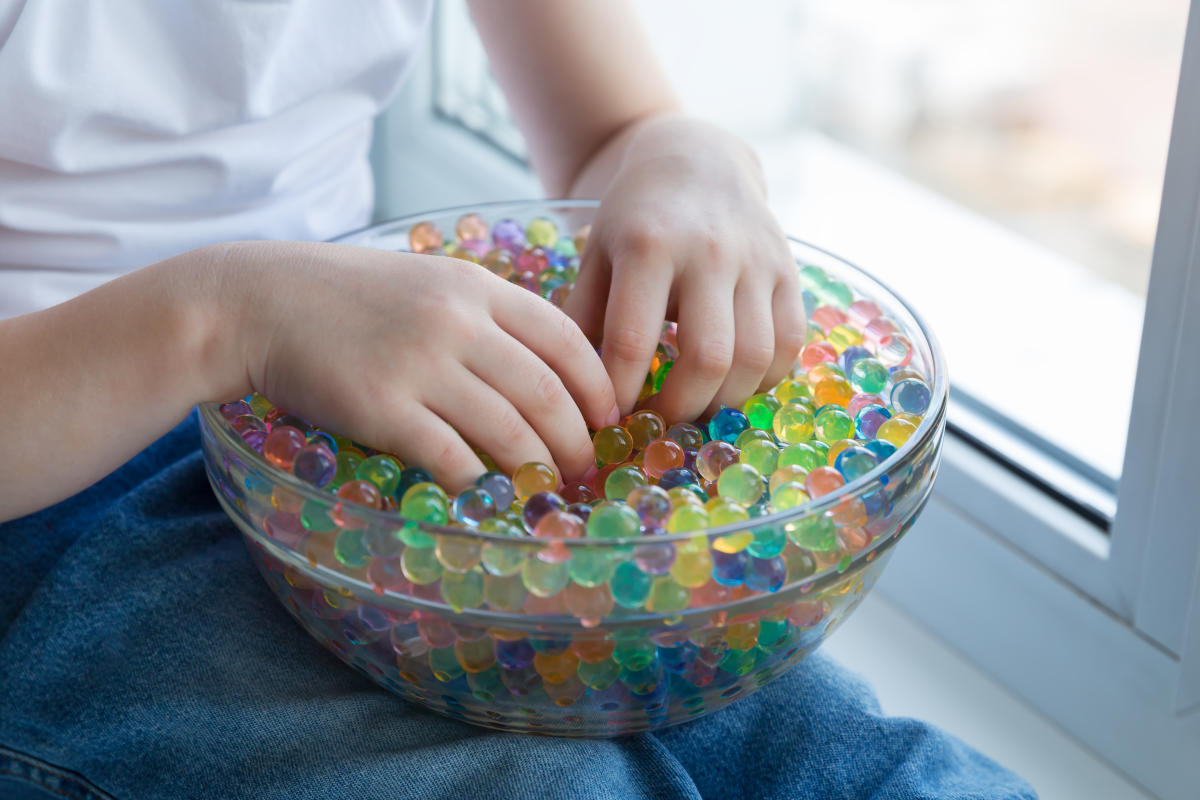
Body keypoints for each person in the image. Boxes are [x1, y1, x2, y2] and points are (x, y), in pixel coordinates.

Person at [0, 2, 1036, 798]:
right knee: (556, 780)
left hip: (347, 401)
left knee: (845, 760)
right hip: (45, 486)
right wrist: (225, 316)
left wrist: (683, 153)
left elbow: (611, 124)